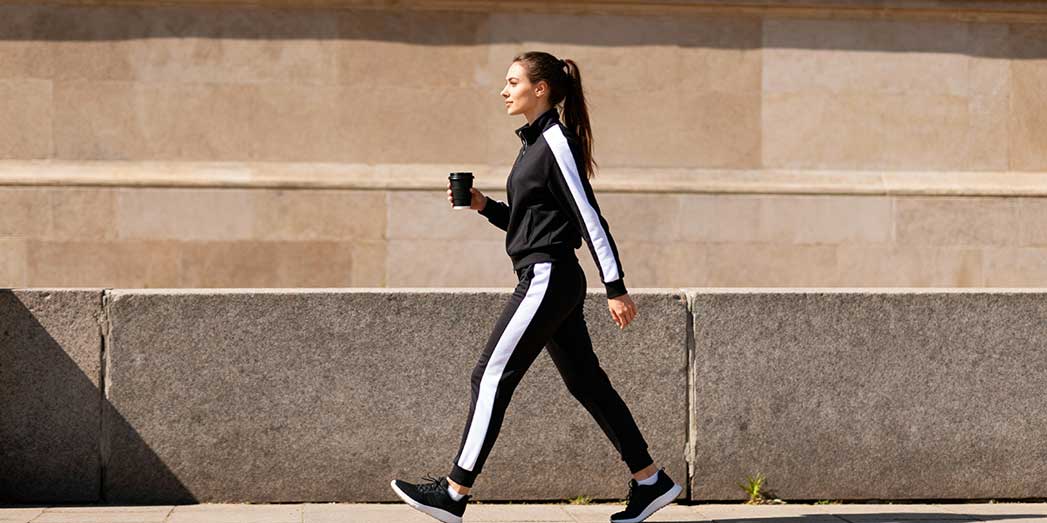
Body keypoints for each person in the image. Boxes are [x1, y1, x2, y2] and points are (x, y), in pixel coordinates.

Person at [390, 51, 681, 523]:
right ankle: (651, 481)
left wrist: (616, 286)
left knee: (489, 375)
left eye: (512, 82)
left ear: (540, 89)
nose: (504, 91)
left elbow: (589, 217)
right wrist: (486, 206)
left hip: (548, 276)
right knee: (587, 382)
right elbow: (531, 226)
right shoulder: (532, 146)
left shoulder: (555, 142)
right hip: (546, 273)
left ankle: (454, 492)